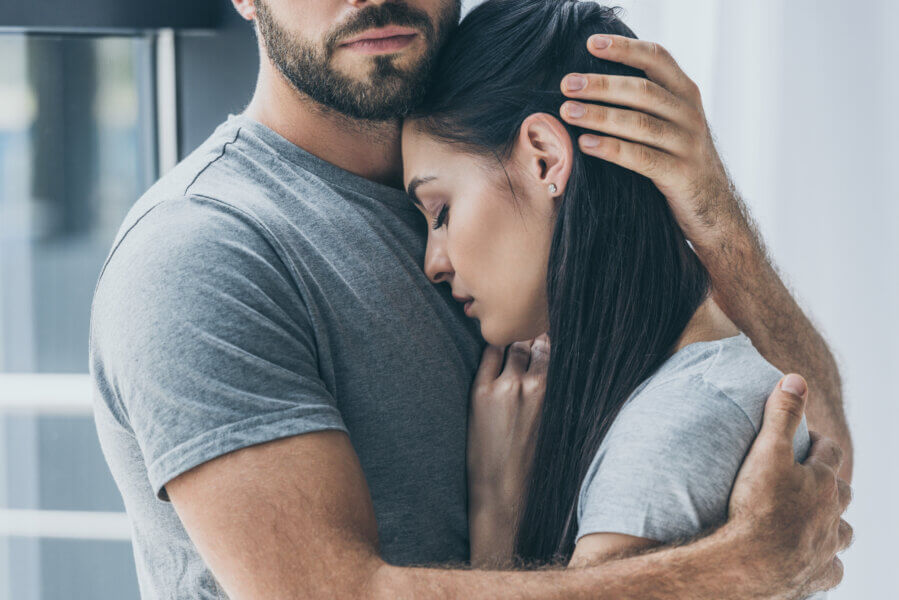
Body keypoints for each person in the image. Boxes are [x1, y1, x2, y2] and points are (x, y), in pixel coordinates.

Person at [89, 0, 851, 598]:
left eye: (440, 215)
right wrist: (734, 569)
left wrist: (715, 216)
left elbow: (813, 447)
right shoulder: (204, 251)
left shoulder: (531, 200)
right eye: (432, 217)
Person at [400, 2, 830, 588]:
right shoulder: (691, 385)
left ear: (545, 158)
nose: (433, 263)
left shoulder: (675, 429)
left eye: (441, 211)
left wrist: (496, 511)